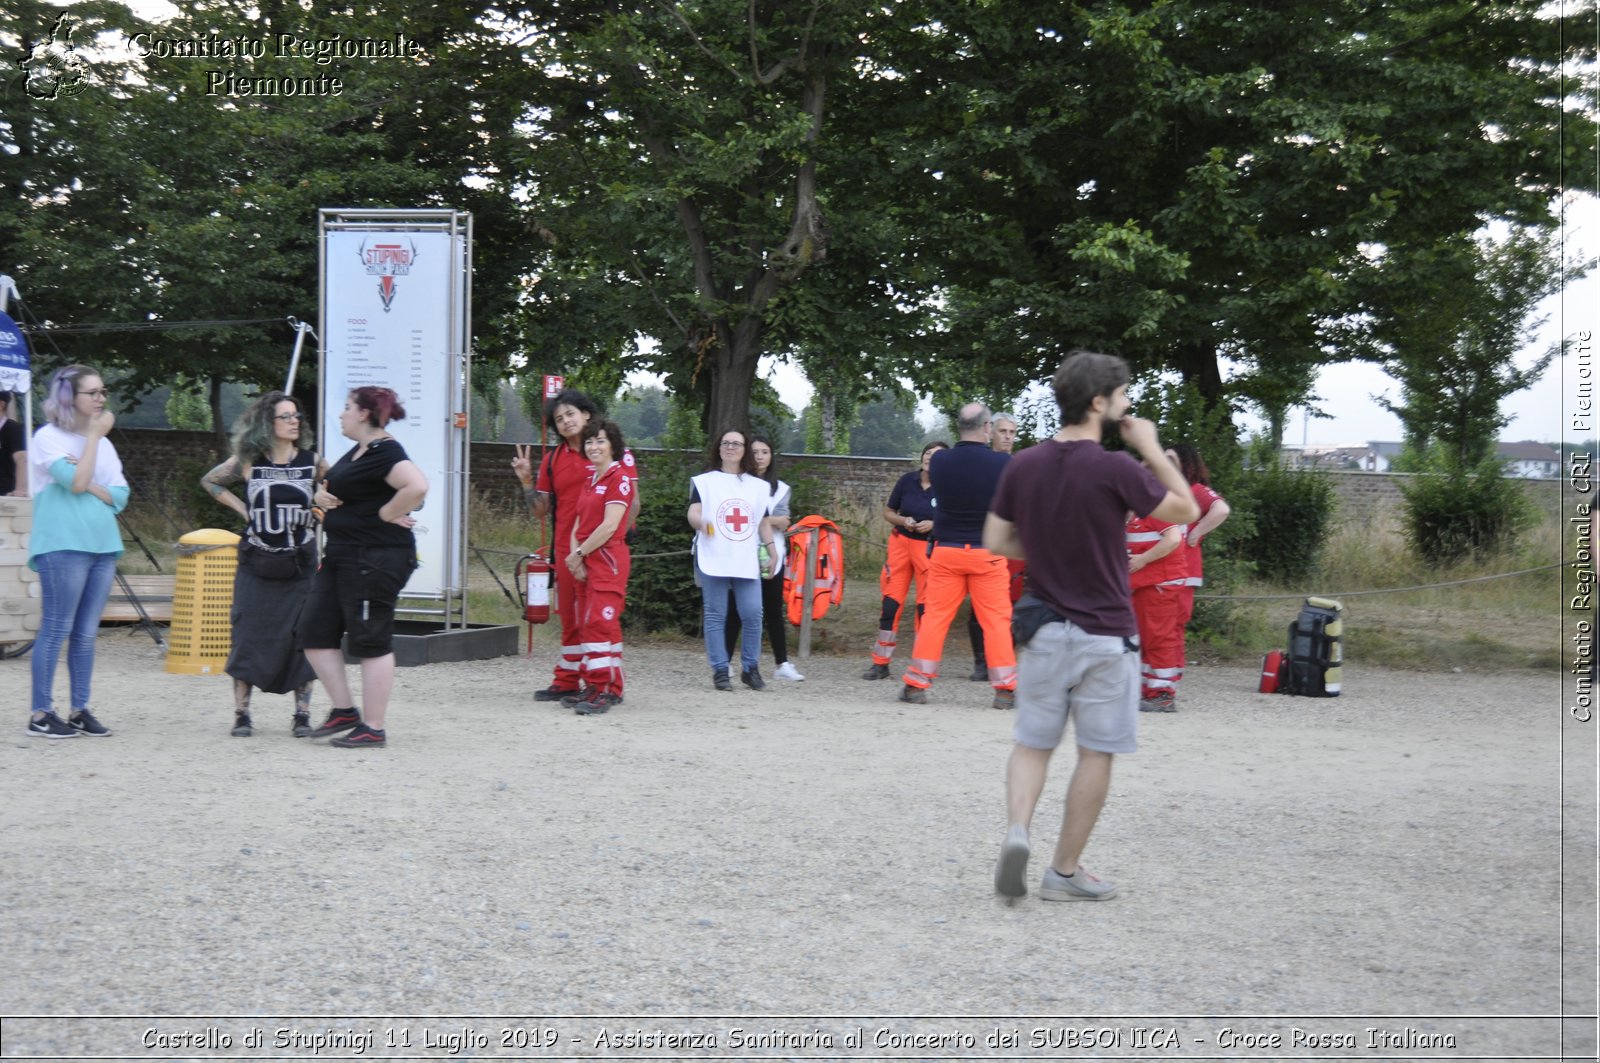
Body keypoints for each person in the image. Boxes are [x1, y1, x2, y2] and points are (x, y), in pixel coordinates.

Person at [984, 350, 1197, 900]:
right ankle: (1064, 872)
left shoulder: (1023, 464)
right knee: (1095, 752)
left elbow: (995, 541)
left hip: (1044, 628)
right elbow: (1184, 511)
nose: (1129, 404)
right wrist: (1148, 445)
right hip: (1105, 633)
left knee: (1033, 744)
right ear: (1099, 402)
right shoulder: (1117, 467)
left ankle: (1016, 831)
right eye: (1124, 395)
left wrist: (1050, 549)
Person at [301, 386, 428, 749]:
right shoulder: (359, 452)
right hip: (342, 554)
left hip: (374, 558)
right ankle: (344, 711)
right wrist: (320, 497)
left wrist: (387, 513)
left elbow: (417, 485)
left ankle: (373, 727)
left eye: (346, 408)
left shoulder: (386, 451)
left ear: (364, 414)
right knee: (313, 631)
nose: (341, 414)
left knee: (370, 639)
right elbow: (338, 489)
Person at [201, 391, 326, 738]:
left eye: (296, 415)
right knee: (248, 634)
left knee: (303, 636)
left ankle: (302, 714)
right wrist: (243, 510)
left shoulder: (313, 462)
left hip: (300, 561)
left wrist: (323, 507)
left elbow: (338, 489)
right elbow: (210, 481)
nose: (294, 422)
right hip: (257, 561)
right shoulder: (248, 461)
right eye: (285, 417)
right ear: (266, 424)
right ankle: (242, 714)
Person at [512, 389, 640, 704]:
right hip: (567, 550)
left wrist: (614, 539)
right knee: (572, 617)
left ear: (586, 414)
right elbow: (541, 510)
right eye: (559, 418)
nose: (566, 421)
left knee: (600, 618)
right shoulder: (555, 459)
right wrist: (527, 480)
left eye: (570, 413)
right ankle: (570, 679)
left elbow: (632, 502)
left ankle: (605, 685)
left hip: (603, 550)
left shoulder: (611, 452)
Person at [26, 365, 128, 739]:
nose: (102, 399)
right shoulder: (47, 437)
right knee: (56, 628)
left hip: (103, 544)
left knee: (85, 634)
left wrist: (92, 482)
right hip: (62, 544)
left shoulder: (105, 444)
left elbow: (120, 497)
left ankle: (79, 709)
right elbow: (78, 483)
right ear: (71, 397)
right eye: (93, 393)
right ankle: (40, 712)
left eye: (104, 391)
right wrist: (92, 447)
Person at [898, 402, 1016, 708]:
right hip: (986, 553)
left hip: (946, 551)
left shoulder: (940, 462)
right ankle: (1005, 690)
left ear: (958, 428)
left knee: (935, 619)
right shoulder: (1003, 464)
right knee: (996, 622)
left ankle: (916, 685)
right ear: (988, 427)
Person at [689, 427, 779, 692]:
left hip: (745, 556)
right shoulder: (705, 482)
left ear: (744, 449)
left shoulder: (757, 486)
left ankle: (750, 668)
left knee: (753, 613)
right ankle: (719, 670)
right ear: (719, 448)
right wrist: (700, 522)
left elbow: (761, 521)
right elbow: (694, 511)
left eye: (736, 444)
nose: (730, 447)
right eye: (726, 443)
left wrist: (772, 549)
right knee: (716, 613)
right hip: (714, 554)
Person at [562, 419, 633, 715]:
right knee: (592, 623)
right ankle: (603, 685)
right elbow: (579, 519)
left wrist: (578, 552)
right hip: (586, 557)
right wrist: (574, 555)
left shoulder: (620, 478)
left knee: (598, 623)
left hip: (607, 560)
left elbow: (609, 526)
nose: (593, 446)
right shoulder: (591, 478)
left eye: (600, 441)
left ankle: (602, 689)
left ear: (613, 446)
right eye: (590, 441)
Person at [863, 440, 946, 680]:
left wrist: (934, 524)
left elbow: (955, 518)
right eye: (927, 453)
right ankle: (880, 663)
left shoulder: (948, 486)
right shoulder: (906, 481)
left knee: (925, 609)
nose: (930, 457)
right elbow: (888, 512)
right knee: (890, 604)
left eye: (937, 454)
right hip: (900, 546)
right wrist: (904, 520)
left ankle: (922, 666)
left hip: (929, 549)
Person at [725, 435, 803, 681]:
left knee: (772, 610)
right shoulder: (735, 484)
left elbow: (783, 520)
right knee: (735, 610)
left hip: (771, 554)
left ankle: (782, 664)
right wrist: (767, 520)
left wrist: (762, 520)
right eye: (755, 451)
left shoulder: (780, 489)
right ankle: (725, 662)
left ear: (771, 456)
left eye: (765, 452)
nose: (759, 457)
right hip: (740, 554)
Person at [968, 411, 1023, 679]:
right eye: (1003, 432)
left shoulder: (1020, 467)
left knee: (1010, 607)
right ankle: (981, 661)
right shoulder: (980, 465)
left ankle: (1002, 659)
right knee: (980, 607)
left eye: (1012, 433)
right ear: (990, 433)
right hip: (983, 543)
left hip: (1014, 546)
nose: (1008, 437)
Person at [1126, 491, 1189, 712]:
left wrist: (1143, 560)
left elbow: (1173, 538)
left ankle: (1162, 693)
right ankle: (1149, 689)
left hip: (1160, 584)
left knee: (1158, 637)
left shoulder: (1152, 509)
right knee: (1146, 637)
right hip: (1144, 584)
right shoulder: (1130, 514)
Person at [1169, 444, 1231, 629]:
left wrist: (1196, 532)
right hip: (1166, 571)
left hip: (1184, 570)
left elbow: (1221, 510)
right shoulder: (1167, 492)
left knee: (1173, 626)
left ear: (1185, 464)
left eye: (1171, 459)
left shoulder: (1194, 490)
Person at [0, 390, 26, 497]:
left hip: (5, 495)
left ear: (1, 404)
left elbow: (22, 459)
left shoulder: (14, 429)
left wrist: (20, 489)